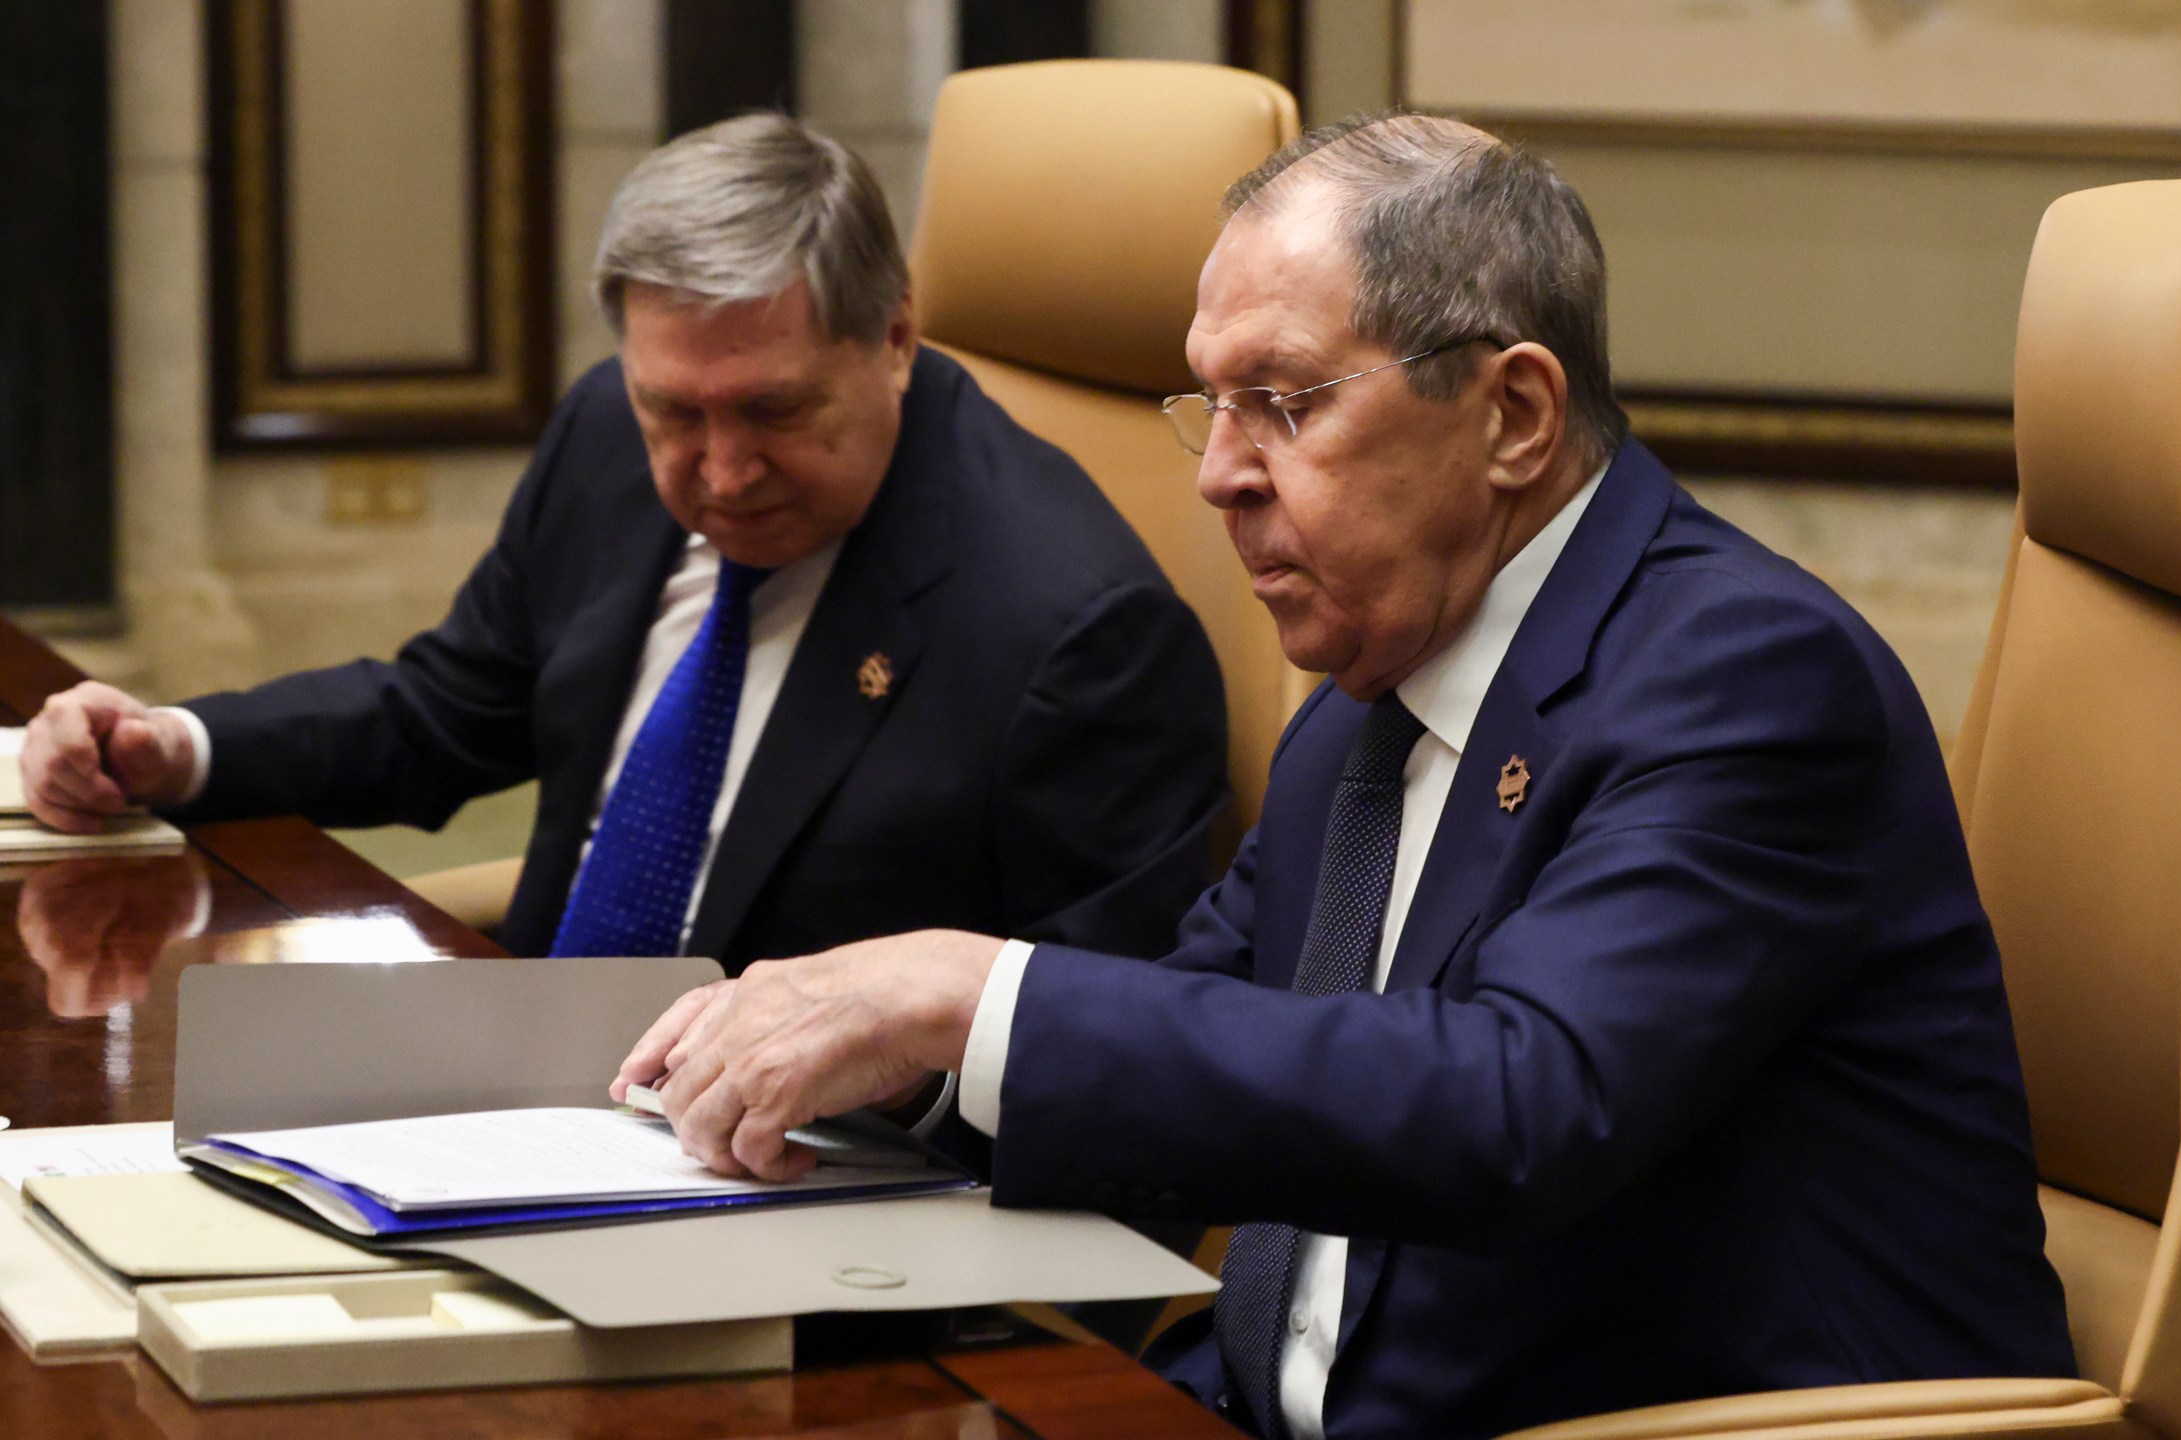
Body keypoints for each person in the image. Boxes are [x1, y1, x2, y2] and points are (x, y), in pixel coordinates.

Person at [611, 114, 2077, 1440]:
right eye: (1213, 406)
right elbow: (1200, 1078)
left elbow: (1521, 1105)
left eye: (1287, 402)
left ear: (1512, 417)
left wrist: (972, 991)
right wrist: (900, 1067)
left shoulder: (1744, 678)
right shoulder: (1368, 710)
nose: (1217, 473)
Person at [13, 113, 1229, 976]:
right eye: (674, 412)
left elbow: (1104, 1040)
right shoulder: (604, 430)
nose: (719, 472)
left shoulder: (1074, 631)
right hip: (532, 1083)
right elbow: (449, 711)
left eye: (773, 410)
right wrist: (175, 748)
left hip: (812, 1184)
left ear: (896, 338)